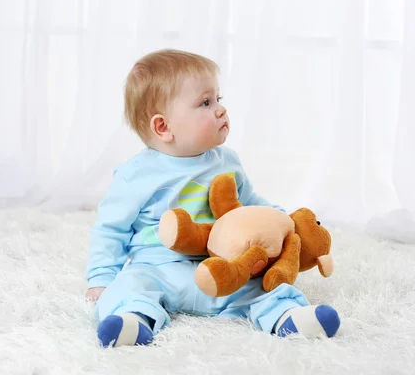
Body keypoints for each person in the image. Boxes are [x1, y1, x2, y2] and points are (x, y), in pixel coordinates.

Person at [85, 49, 340, 347]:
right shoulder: (135, 175)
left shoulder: (227, 162)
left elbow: (251, 205)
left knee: (263, 284)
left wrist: (285, 221)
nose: (220, 109)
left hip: (222, 266)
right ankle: (134, 321)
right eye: (205, 102)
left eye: (219, 99)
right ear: (163, 127)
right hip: (159, 268)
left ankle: (289, 317)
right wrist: (101, 279)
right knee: (129, 286)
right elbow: (110, 229)